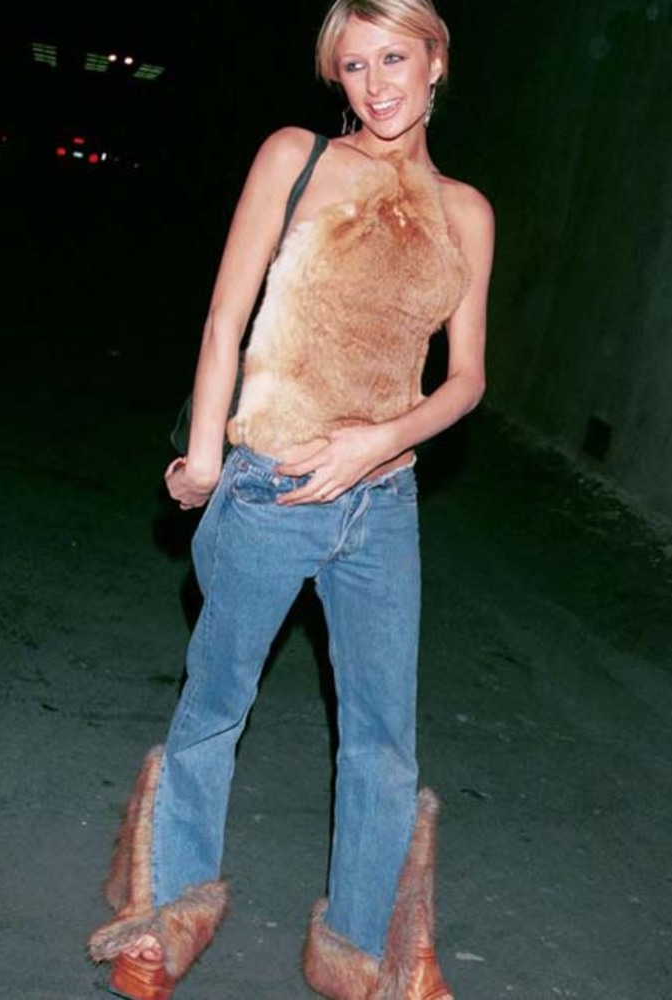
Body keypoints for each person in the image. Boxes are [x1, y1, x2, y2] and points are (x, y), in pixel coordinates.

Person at [87, 0, 495, 997]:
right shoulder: (296, 159)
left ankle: (356, 946)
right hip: (271, 486)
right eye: (353, 66)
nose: (375, 85)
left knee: (383, 739)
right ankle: (165, 913)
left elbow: (466, 379)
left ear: (436, 61)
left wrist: (378, 442)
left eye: (393, 58)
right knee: (216, 704)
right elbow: (225, 319)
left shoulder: (466, 212)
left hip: (382, 504)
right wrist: (203, 455)